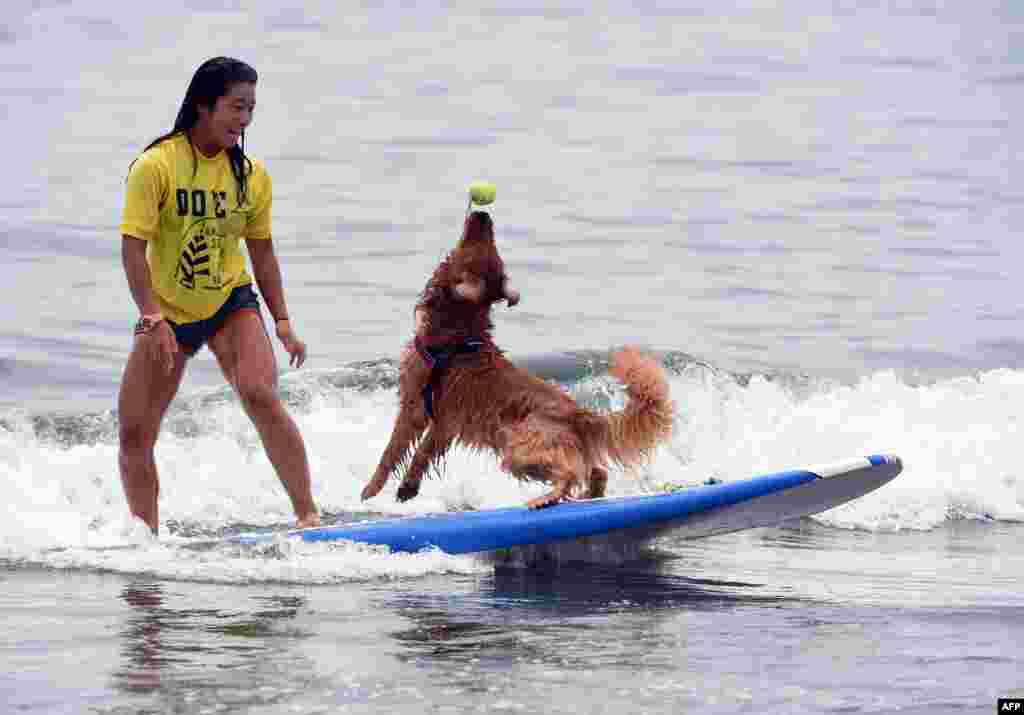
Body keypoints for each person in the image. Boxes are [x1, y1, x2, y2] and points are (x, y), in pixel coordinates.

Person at [117, 57, 320, 534]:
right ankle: (146, 538)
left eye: (251, 109)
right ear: (203, 105)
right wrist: (152, 316)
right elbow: (132, 251)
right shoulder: (156, 166)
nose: (244, 120)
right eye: (236, 107)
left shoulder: (251, 175)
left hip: (230, 300)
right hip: (165, 310)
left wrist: (283, 320)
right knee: (133, 431)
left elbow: (262, 252)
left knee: (259, 393)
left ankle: (309, 515)